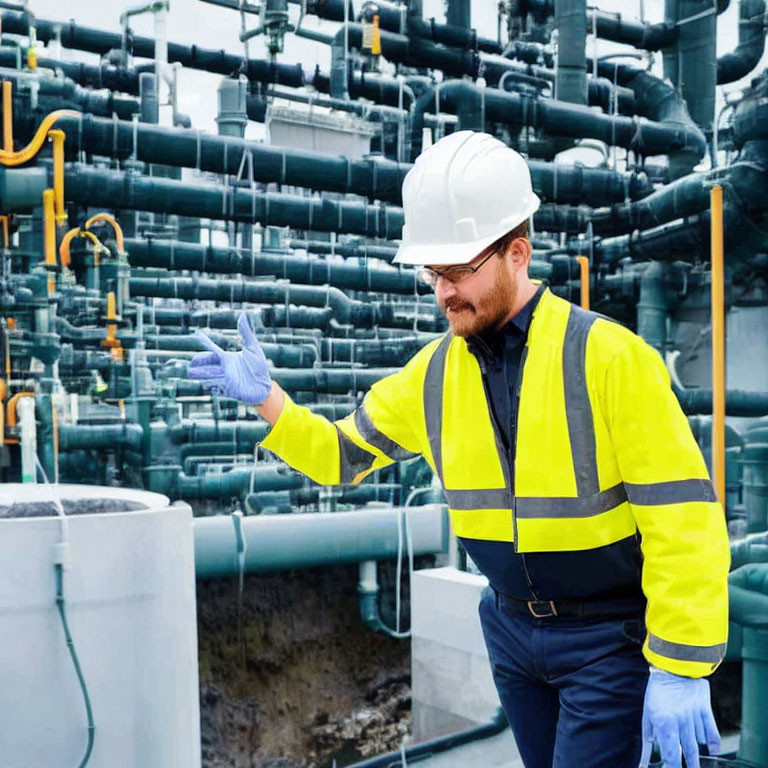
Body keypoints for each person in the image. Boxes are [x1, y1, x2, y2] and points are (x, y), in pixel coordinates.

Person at [189, 130, 730, 768]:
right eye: (433, 273)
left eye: (460, 271)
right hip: (511, 633)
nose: (445, 291)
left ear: (517, 253)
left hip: (607, 638)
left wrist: (679, 663)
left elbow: (682, 516)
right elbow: (340, 456)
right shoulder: (433, 374)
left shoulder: (610, 359)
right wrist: (267, 399)